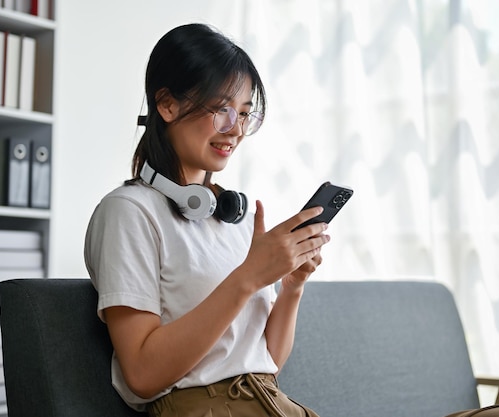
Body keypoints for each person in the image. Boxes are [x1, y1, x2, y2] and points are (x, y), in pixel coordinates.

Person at [84, 23, 329, 417]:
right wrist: (248, 277)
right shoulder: (129, 212)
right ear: (167, 105)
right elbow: (142, 374)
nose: (235, 130)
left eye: (245, 114)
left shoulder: (238, 219)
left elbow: (267, 362)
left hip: (272, 404)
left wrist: (291, 286)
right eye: (221, 110)